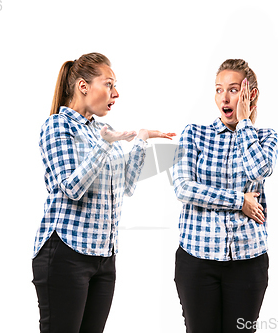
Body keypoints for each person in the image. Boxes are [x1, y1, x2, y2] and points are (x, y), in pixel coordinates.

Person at [32, 52, 175, 333]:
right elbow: (72, 188)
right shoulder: (57, 126)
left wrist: (142, 140)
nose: (116, 93)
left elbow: (127, 184)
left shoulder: (102, 130)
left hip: (104, 257)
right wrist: (105, 145)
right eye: (109, 84)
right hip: (66, 253)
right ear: (83, 86)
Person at [173, 59, 278, 333]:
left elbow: (260, 169)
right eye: (219, 90)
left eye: (233, 90)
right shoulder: (194, 134)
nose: (224, 97)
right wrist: (239, 201)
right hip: (197, 259)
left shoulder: (265, 138)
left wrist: (244, 124)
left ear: (249, 94)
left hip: (248, 261)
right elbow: (183, 188)